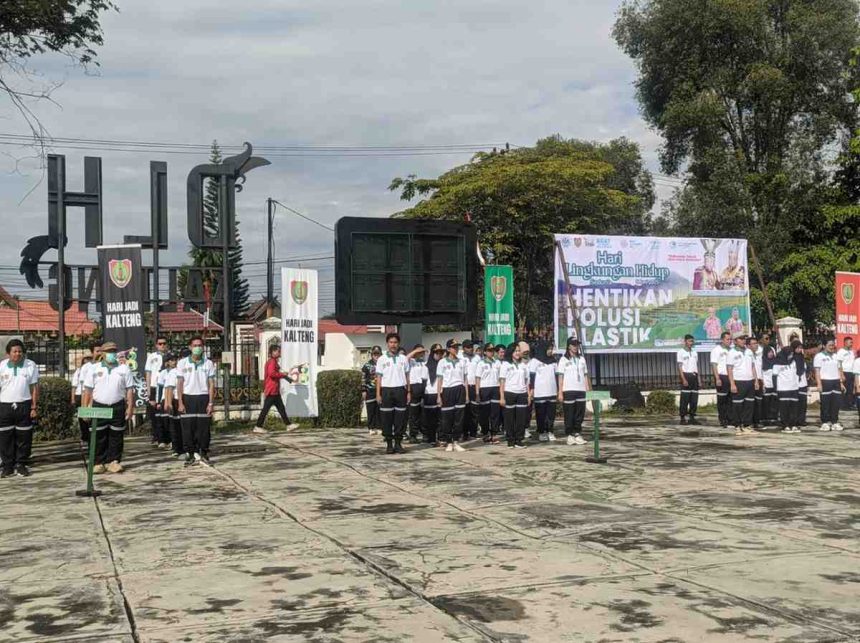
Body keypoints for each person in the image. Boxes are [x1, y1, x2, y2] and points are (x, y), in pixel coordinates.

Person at [82, 341, 134, 474]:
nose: (111, 354)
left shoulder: (124, 369)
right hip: (99, 406)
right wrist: (85, 409)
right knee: (98, 435)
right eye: (109, 352)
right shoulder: (94, 369)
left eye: (113, 351)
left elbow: (129, 390)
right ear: (102, 353)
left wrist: (130, 408)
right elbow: (87, 390)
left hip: (118, 405)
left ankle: (114, 461)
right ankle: (99, 462)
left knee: (116, 435)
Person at [376, 333, 423, 454]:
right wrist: (378, 394)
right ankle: (389, 444)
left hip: (401, 390)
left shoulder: (403, 359)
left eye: (395, 342)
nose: (393, 345)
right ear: (387, 344)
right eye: (391, 342)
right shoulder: (382, 359)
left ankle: (398, 443)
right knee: (387, 418)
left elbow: (407, 376)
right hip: (386, 390)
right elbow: (379, 378)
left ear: (398, 344)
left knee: (400, 419)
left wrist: (408, 392)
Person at [0, 339, 39, 477]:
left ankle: (21, 464)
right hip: (4, 405)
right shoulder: (2, 366)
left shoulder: (30, 365)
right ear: (8, 354)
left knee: (24, 437)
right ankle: (7, 466)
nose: (17, 354)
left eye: (20, 351)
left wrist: (34, 407)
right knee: (5, 437)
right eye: (14, 351)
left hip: (24, 404)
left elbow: (34, 387)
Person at [177, 336, 217, 466]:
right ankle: (190, 454)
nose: (197, 348)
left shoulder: (208, 363)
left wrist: (211, 403)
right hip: (188, 397)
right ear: (190, 347)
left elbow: (211, 384)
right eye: (195, 345)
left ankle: (203, 452)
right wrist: (180, 402)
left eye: (200, 345)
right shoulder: (182, 363)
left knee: (203, 428)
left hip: (203, 397)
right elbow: (180, 383)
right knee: (188, 428)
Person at [255, 344, 299, 434]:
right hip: (271, 390)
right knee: (266, 409)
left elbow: (278, 373)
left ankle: (288, 425)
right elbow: (272, 374)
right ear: (273, 352)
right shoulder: (272, 362)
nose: (279, 353)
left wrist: (289, 379)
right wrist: (284, 375)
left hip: (274, 390)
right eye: (278, 351)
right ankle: (258, 426)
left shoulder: (273, 362)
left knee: (281, 408)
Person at [556, 338, 590, 445]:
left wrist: (587, 388)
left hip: (580, 389)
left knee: (580, 413)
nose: (576, 347)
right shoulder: (563, 360)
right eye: (574, 345)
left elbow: (585, 375)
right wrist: (560, 391)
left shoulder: (582, 359)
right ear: (569, 346)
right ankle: (570, 434)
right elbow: (560, 376)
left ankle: (577, 433)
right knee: (569, 413)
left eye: (577, 345)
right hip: (568, 389)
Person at [437, 339, 468, 452]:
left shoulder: (462, 362)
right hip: (447, 390)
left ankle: (456, 441)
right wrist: (439, 395)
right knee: (447, 417)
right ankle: (449, 441)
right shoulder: (442, 362)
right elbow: (439, 379)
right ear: (448, 349)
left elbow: (465, 379)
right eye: (453, 347)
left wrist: (467, 394)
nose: (456, 349)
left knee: (459, 417)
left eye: (457, 347)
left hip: (459, 389)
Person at [500, 342, 530, 449]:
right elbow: (502, 382)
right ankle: (510, 439)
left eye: (518, 351)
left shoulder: (523, 365)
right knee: (509, 418)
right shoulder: (505, 364)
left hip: (522, 393)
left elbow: (527, 381)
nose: (517, 353)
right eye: (515, 351)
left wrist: (528, 395)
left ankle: (519, 439)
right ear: (511, 352)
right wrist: (502, 397)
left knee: (521, 418)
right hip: (509, 393)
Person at [727, 333, 757, 435]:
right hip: (738, 381)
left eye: (744, 338)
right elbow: (729, 369)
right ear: (735, 341)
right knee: (737, 405)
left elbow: (753, 366)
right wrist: (732, 384)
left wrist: (756, 380)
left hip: (749, 381)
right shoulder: (731, 353)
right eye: (740, 339)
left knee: (749, 404)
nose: (743, 340)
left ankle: (747, 425)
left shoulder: (749, 351)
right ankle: (737, 425)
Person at [814, 339, 844, 432]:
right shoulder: (819, 356)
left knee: (836, 403)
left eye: (833, 345)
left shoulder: (836, 356)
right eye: (830, 345)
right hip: (825, 381)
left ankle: (834, 421)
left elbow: (839, 369)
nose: (832, 347)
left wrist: (841, 383)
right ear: (824, 346)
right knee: (825, 403)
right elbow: (817, 371)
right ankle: (825, 422)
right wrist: (819, 384)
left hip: (836, 382)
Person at [532, 342, 558, 442]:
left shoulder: (553, 361)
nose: (551, 351)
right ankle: (541, 432)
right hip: (540, 392)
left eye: (552, 349)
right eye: (549, 349)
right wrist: (532, 390)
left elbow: (556, 376)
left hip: (552, 391)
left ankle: (550, 431)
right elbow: (532, 377)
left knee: (551, 414)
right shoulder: (535, 361)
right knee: (541, 414)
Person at [144, 336, 168, 447]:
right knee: (154, 414)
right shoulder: (151, 357)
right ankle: (157, 436)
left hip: (167, 387)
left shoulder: (170, 356)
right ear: (156, 345)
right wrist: (149, 390)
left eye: (164, 343)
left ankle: (167, 437)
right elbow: (148, 373)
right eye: (160, 343)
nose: (162, 345)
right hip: (154, 386)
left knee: (166, 412)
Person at [475, 343, 501, 443]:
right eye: (489, 350)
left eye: (493, 350)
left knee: (495, 412)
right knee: (484, 413)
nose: (491, 352)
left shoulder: (497, 362)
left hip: (495, 388)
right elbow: (477, 378)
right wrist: (477, 393)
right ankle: (485, 433)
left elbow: (500, 377)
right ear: (485, 352)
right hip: (484, 389)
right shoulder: (481, 363)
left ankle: (494, 433)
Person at [774, 344, 801, 433]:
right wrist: (775, 389)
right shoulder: (777, 363)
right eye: (789, 353)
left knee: (794, 407)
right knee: (784, 408)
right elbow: (774, 376)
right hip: (783, 388)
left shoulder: (794, 362)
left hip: (793, 387)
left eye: (792, 353)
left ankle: (793, 424)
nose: (791, 355)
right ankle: (785, 425)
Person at [162, 353, 183, 458]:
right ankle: (176, 448)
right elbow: (168, 388)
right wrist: (168, 403)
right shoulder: (173, 373)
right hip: (175, 400)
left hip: (187, 399)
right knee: (175, 426)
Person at [422, 344, 444, 444]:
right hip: (430, 394)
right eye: (436, 352)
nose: (439, 354)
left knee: (442, 418)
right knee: (431, 419)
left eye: (441, 352)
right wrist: (422, 397)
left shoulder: (444, 364)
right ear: (432, 353)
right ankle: (431, 438)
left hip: (442, 393)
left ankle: (441, 438)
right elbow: (423, 382)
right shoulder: (426, 365)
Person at [710, 332, 732, 428]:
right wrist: (717, 378)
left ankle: (729, 418)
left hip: (730, 377)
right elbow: (714, 365)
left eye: (730, 339)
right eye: (727, 339)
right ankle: (722, 419)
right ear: (722, 340)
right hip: (721, 376)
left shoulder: (731, 350)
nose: (729, 341)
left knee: (730, 399)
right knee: (722, 400)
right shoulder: (716, 350)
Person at [71, 355, 93, 448]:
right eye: (85, 361)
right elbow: (74, 386)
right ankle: (85, 437)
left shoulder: (94, 369)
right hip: (80, 395)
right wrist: (73, 398)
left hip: (91, 395)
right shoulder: (79, 371)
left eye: (89, 360)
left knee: (92, 418)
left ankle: (91, 438)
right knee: (82, 418)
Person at [677, 334, 699, 425]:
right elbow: (680, 367)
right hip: (686, 375)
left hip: (694, 376)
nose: (691, 343)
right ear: (685, 341)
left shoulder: (694, 352)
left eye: (692, 341)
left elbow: (696, 366)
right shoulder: (681, 352)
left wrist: (699, 379)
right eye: (689, 341)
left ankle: (692, 417)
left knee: (694, 399)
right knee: (685, 398)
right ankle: (682, 417)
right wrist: (683, 379)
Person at [407, 344, 428, 442]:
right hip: (414, 386)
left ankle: (425, 434)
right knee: (414, 413)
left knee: (424, 413)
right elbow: (406, 358)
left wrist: (425, 352)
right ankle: (413, 435)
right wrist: (415, 352)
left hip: (424, 386)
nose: (421, 353)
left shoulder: (425, 361)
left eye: (422, 352)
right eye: (418, 352)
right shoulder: (410, 361)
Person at [461, 340, 481, 440]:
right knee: (465, 411)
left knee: (475, 410)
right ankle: (464, 433)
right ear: (464, 348)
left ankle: (473, 432)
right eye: (468, 347)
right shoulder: (460, 357)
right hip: (464, 386)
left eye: (472, 347)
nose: (471, 349)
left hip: (475, 386)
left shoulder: (477, 358)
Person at [361, 347, 382, 436]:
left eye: (378, 354)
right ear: (372, 355)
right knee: (371, 409)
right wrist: (363, 390)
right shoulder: (366, 365)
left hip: (382, 389)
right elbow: (363, 378)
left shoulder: (384, 363)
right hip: (370, 389)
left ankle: (379, 427)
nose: (376, 356)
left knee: (379, 409)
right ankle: (371, 427)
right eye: (374, 354)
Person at [760, 333, 778, 425]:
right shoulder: (761, 353)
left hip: (774, 384)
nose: (768, 340)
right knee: (766, 401)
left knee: (774, 400)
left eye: (768, 338)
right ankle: (765, 417)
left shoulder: (773, 349)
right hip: (766, 383)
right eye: (766, 338)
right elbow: (761, 372)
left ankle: (773, 417)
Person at [837, 337, 855, 411]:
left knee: (850, 389)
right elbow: (839, 363)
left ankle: (849, 404)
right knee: (844, 390)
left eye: (852, 342)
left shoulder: (851, 351)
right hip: (845, 372)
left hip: (851, 372)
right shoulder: (841, 351)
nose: (851, 343)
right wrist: (842, 374)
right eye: (850, 342)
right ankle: (843, 405)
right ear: (845, 342)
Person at [750, 336, 763, 429]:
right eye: (753, 344)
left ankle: (757, 421)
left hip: (759, 380)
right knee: (750, 402)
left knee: (758, 402)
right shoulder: (747, 355)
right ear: (748, 345)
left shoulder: (759, 355)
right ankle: (749, 421)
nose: (756, 345)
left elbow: (761, 369)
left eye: (756, 343)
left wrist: (762, 381)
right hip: (751, 380)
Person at [795, 342, 809, 428]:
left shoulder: (802, 358)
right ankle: (795, 420)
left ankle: (802, 420)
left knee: (803, 403)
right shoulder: (791, 358)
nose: (800, 350)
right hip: (794, 384)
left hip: (803, 383)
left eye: (801, 348)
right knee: (795, 403)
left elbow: (805, 368)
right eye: (798, 348)